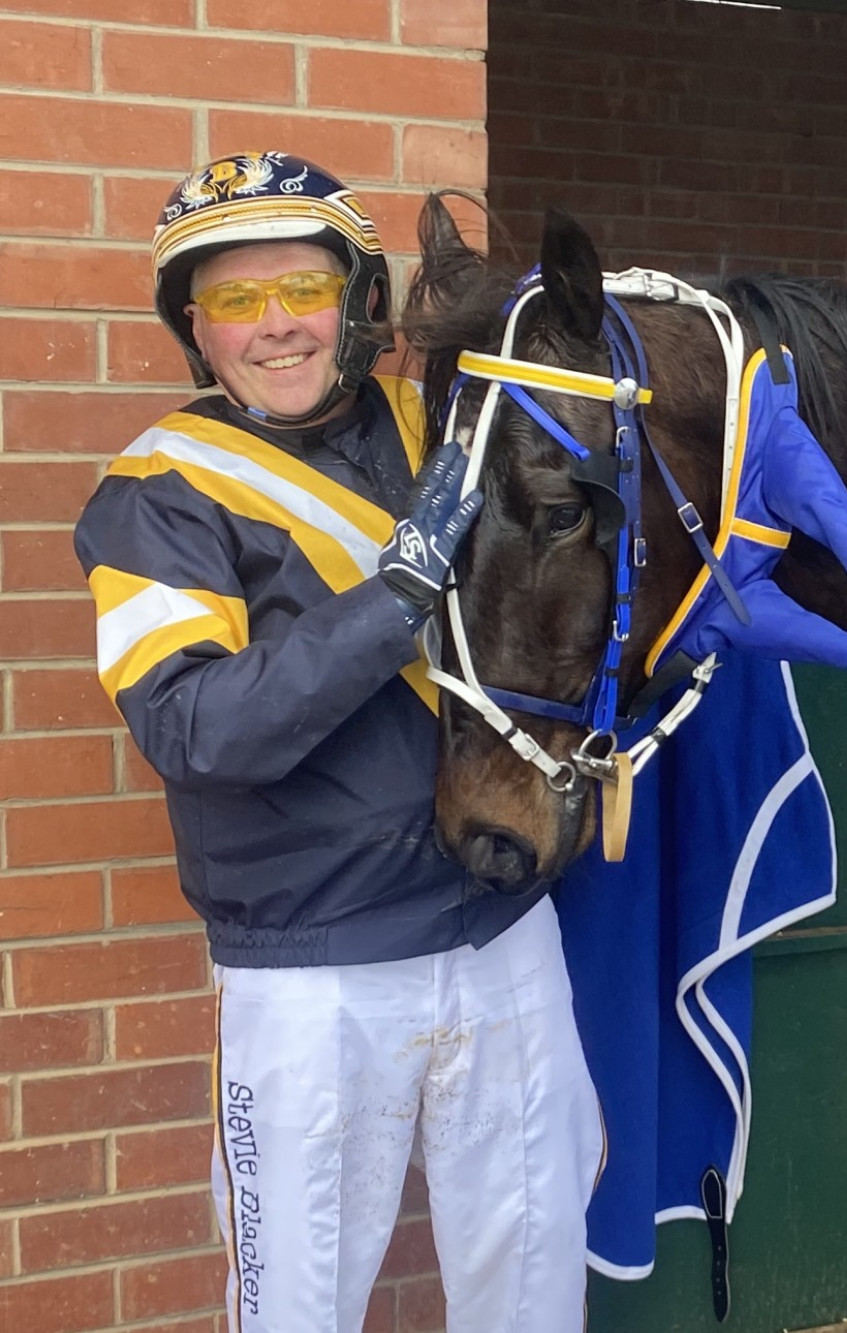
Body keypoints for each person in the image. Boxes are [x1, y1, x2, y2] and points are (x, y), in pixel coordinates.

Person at [72, 153, 602, 1333]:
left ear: (360, 300)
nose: (275, 330)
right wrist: (396, 592)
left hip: (504, 933)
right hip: (315, 970)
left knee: (533, 1289)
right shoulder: (158, 492)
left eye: (301, 290)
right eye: (235, 303)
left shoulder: (454, 424)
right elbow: (199, 730)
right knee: (299, 1307)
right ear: (194, 331)